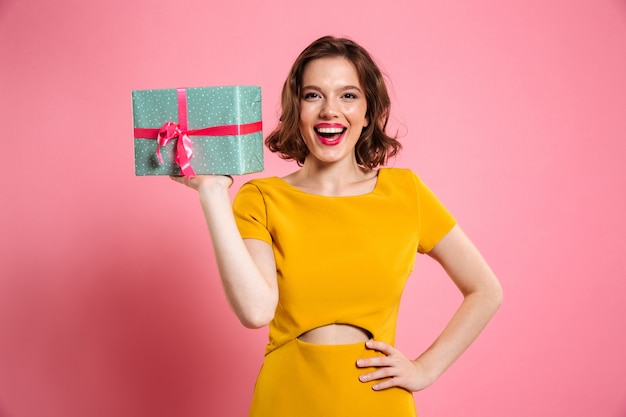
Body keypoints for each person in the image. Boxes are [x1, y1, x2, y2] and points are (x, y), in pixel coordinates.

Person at [171, 35, 503, 417]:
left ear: (368, 112)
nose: (330, 110)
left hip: (378, 401)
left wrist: (426, 368)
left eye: (348, 96)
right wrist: (212, 192)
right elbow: (256, 311)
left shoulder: (406, 192)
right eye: (313, 95)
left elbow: (485, 290)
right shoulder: (262, 197)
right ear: (296, 109)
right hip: (288, 397)